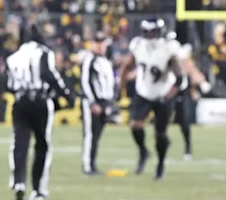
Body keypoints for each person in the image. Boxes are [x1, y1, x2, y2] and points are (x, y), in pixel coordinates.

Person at [6, 24, 70, 200]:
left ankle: (19, 182)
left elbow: (9, 85)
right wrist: (66, 94)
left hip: (20, 102)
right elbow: (48, 74)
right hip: (40, 102)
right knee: (42, 145)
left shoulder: (13, 57)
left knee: (19, 143)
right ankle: (38, 189)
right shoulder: (44, 52)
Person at [119, 18, 185, 180]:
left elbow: (180, 78)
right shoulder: (138, 45)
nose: (149, 36)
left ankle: (160, 165)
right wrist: (120, 87)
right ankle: (143, 151)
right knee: (135, 125)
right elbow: (126, 66)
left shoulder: (168, 48)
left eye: (152, 32)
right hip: (144, 92)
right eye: (147, 32)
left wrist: (167, 96)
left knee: (160, 134)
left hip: (163, 93)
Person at [167, 31, 211, 160]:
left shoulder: (181, 56)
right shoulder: (162, 52)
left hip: (179, 90)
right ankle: (164, 145)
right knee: (162, 121)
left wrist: (200, 82)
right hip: (165, 90)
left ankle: (187, 146)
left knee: (184, 121)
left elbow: (190, 69)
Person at [79, 31, 115, 176]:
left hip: (104, 101)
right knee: (90, 134)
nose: (100, 46)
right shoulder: (90, 59)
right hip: (93, 101)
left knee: (97, 135)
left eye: (102, 43)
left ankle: (92, 164)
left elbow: (109, 84)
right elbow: (85, 82)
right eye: (98, 43)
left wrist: (109, 102)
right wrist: (92, 102)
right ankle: (87, 165)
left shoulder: (105, 61)